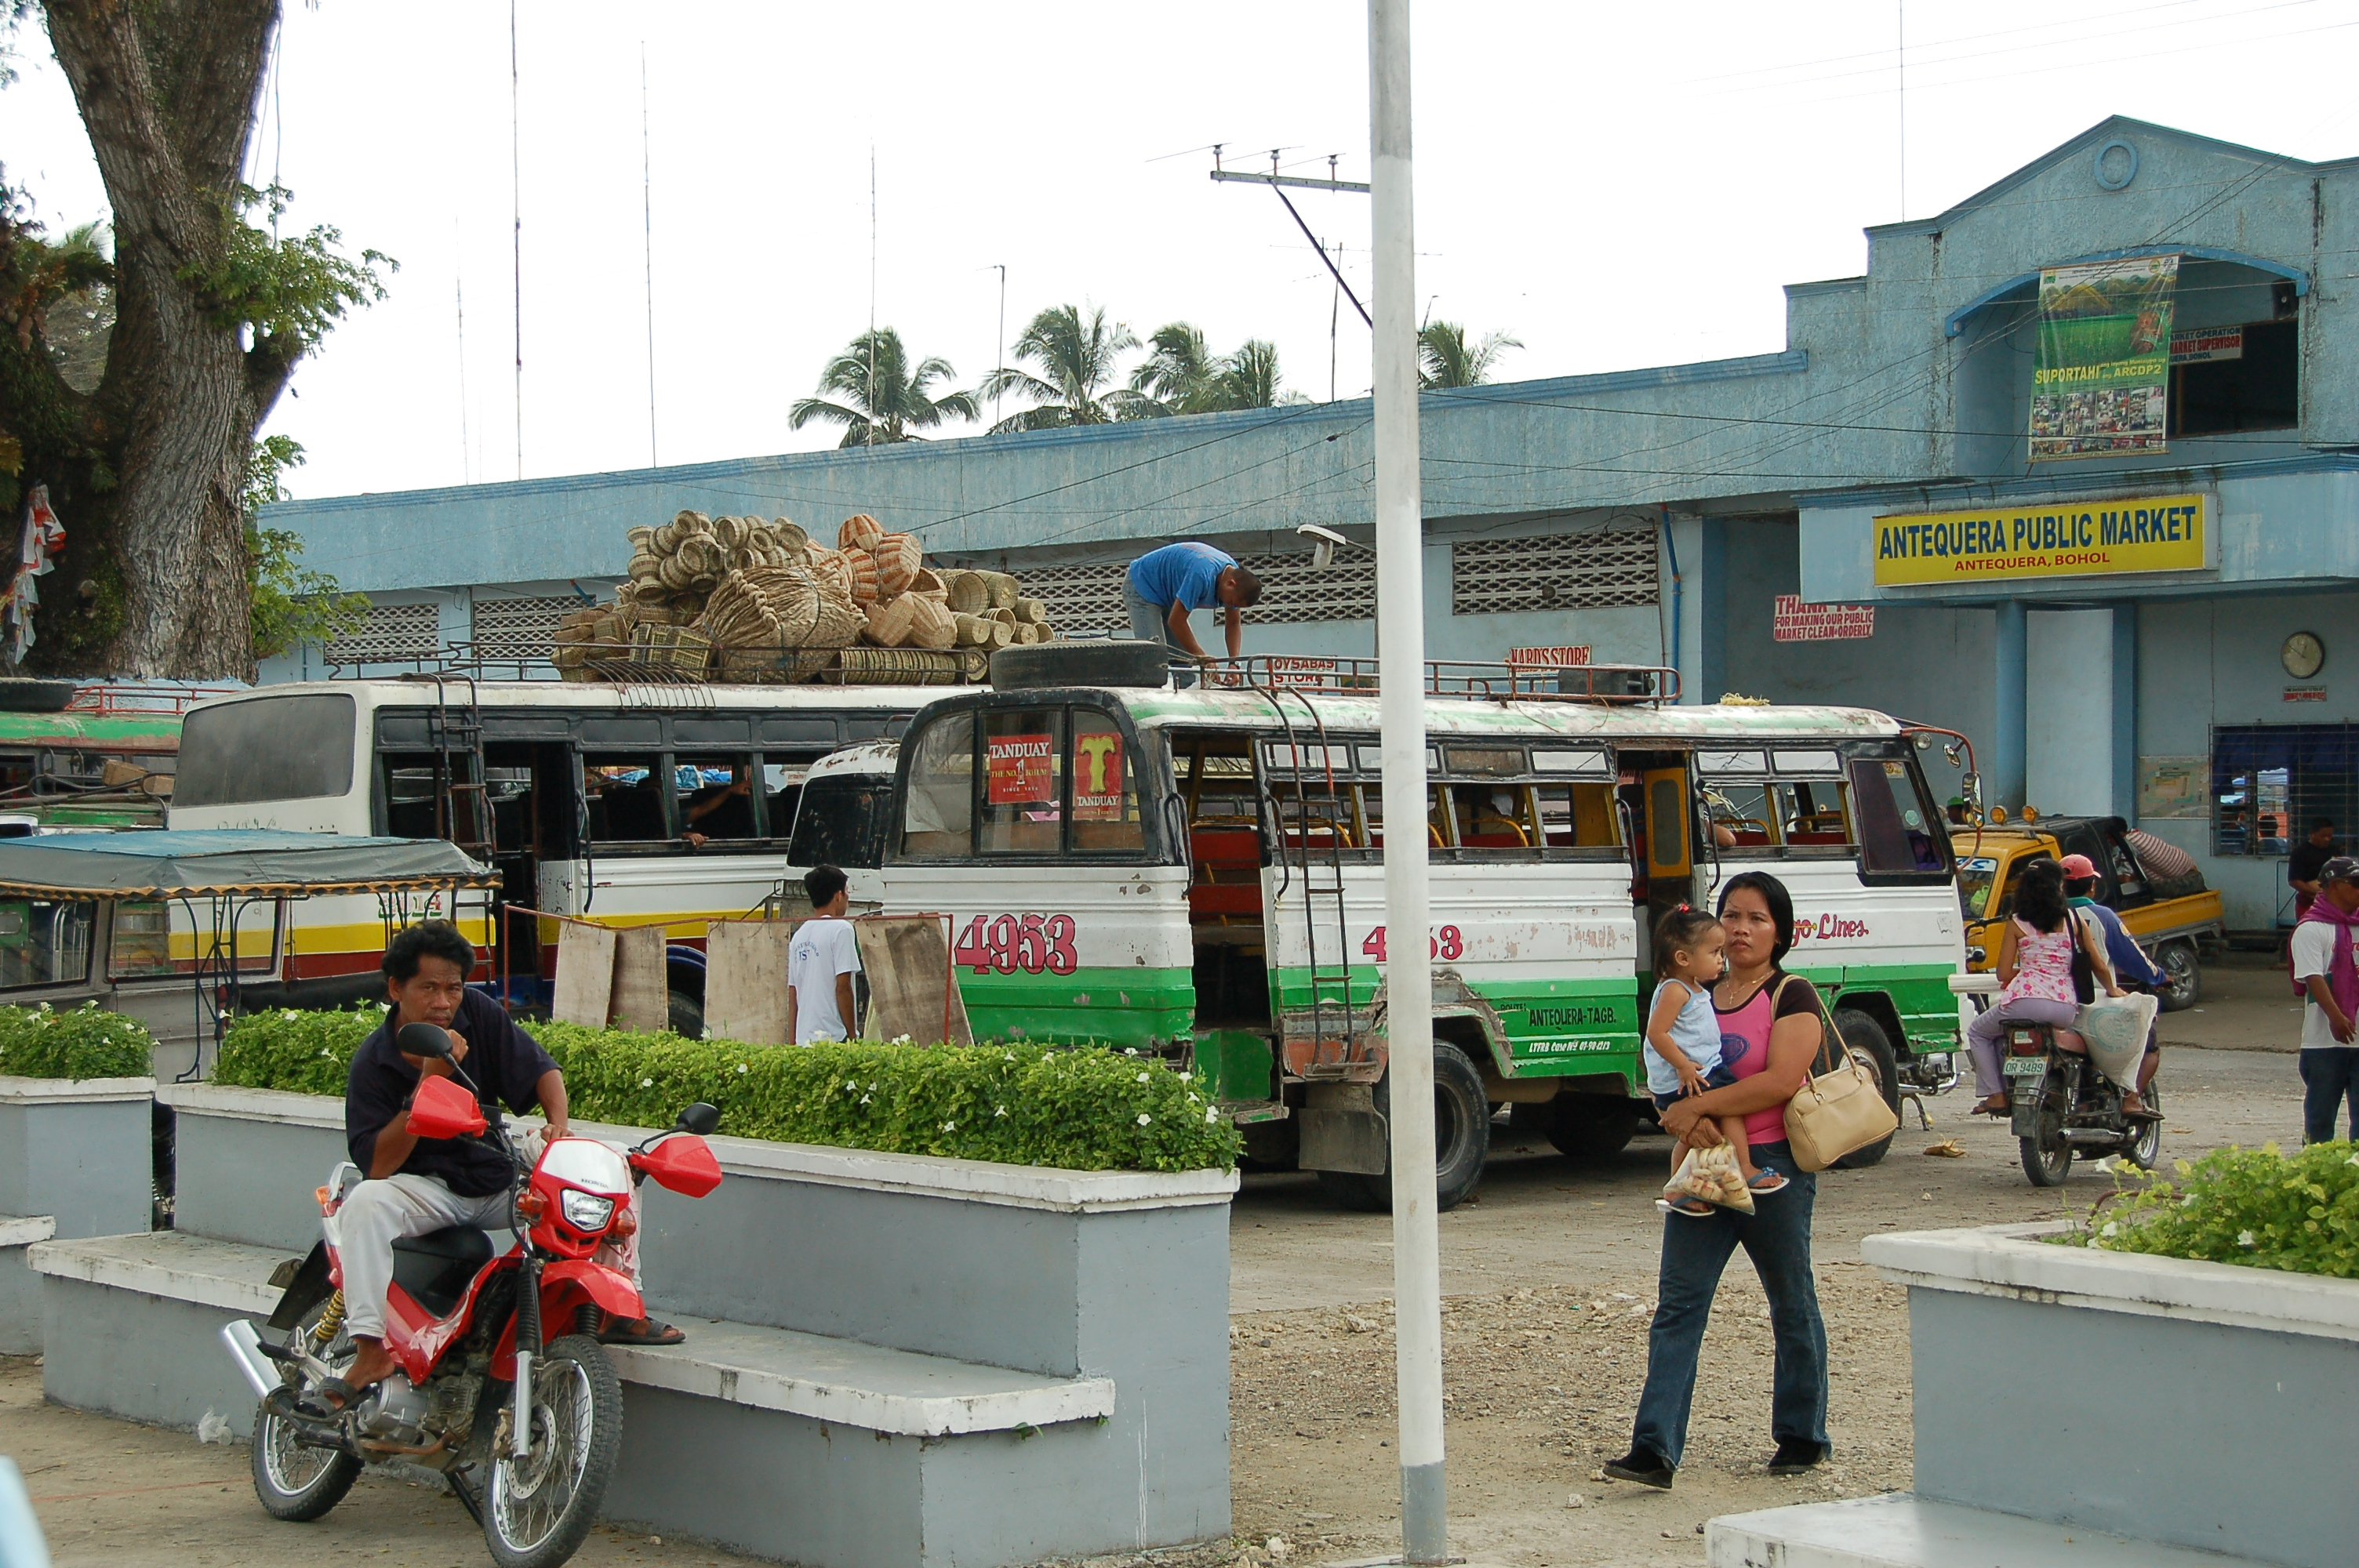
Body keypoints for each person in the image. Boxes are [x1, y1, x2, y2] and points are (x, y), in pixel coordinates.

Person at [331, 922, 681, 1407]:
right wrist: (428, 1085)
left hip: (496, 1178)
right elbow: (376, 1165)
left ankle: (623, 1303)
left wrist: (558, 1124)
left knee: (609, 1165)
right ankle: (369, 1349)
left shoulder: (477, 1013)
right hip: (425, 1190)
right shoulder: (374, 1062)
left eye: (452, 987)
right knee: (364, 1204)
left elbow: (542, 1069)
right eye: (428, 988)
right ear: (396, 989)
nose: (443, 1002)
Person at [1605, 871, 1830, 1490]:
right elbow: (1667, 1074)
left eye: (1755, 918)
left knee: (1790, 1300)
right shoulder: (1695, 991)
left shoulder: (1792, 995)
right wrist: (1678, 1113)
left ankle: (1802, 1435)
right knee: (1678, 1306)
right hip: (1704, 1161)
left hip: (1771, 1165)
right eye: (1731, 915)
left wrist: (1697, 1109)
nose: (1739, 928)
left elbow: (1782, 1080)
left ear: (1780, 930)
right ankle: (1654, 1450)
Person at [1643, 907, 1785, 1212]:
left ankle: (1678, 1187)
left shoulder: (1692, 987)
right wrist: (1682, 1066)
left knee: (1695, 1134)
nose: (1722, 959)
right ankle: (1745, 1168)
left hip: (1700, 1070)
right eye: (1715, 952)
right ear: (1683, 959)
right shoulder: (1675, 990)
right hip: (1691, 1075)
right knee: (1730, 1110)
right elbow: (1656, 1033)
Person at [1965, 860, 2123, 1118]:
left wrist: (2029, 971)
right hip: (2064, 1008)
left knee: (1979, 1032)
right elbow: (2099, 965)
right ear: (2059, 887)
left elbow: (2003, 973)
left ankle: (1996, 1095)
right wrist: (2113, 990)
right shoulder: (2073, 920)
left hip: (2024, 1003)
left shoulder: (2017, 923)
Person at [2060, 853, 2162, 1119]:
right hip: (2096, 1004)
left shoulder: (2041, 917)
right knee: (2148, 1043)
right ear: (2091, 886)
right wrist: (2159, 976)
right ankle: (2130, 1098)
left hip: (2053, 1001)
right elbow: (2131, 957)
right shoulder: (2100, 916)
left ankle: (2084, 1101)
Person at [1123, 541, 1261, 688]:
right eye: (1232, 603)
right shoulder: (1201, 575)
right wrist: (1203, 657)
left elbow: (1233, 623)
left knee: (1186, 668)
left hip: (1167, 595)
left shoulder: (1233, 574)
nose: (1231, 607)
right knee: (1154, 662)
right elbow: (1176, 622)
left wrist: (1234, 664)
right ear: (1230, 584)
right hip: (1142, 585)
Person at [2292, 856, 2359, 1144]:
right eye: (2356, 883)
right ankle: (2316, 1178)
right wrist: (2337, 1018)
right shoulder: (2311, 929)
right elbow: (2313, 977)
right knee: (2320, 1118)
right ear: (2333, 886)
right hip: (2324, 1043)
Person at [788, 864, 862, 1044]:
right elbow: (843, 987)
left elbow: (793, 992)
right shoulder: (842, 929)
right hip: (833, 1036)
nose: (847, 898)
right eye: (846, 892)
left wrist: (792, 1041)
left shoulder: (799, 935)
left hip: (803, 1039)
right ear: (838, 896)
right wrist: (852, 1036)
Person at [2290, 818, 2339, 919]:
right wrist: (2317, 894)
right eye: (2323, 836)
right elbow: (2294, 881)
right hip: (2308, 902)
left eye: (2329, 836)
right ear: (2312, 833)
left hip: (2332, 902)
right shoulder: (2300, 852)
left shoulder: (2334, 851)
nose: (2327, 839)